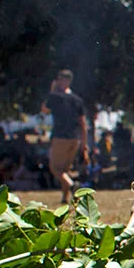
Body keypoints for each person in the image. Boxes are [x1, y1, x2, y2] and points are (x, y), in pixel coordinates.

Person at [41, 69, 88, 203]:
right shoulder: (77, 100)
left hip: (60, 137)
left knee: (55, 169)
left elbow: (44, 109)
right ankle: (64, 198)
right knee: (65, 169)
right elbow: (83, 123)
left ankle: (72, 186)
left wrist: (51, 91)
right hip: (75, 139)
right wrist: (84, 143)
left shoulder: (55, 97)